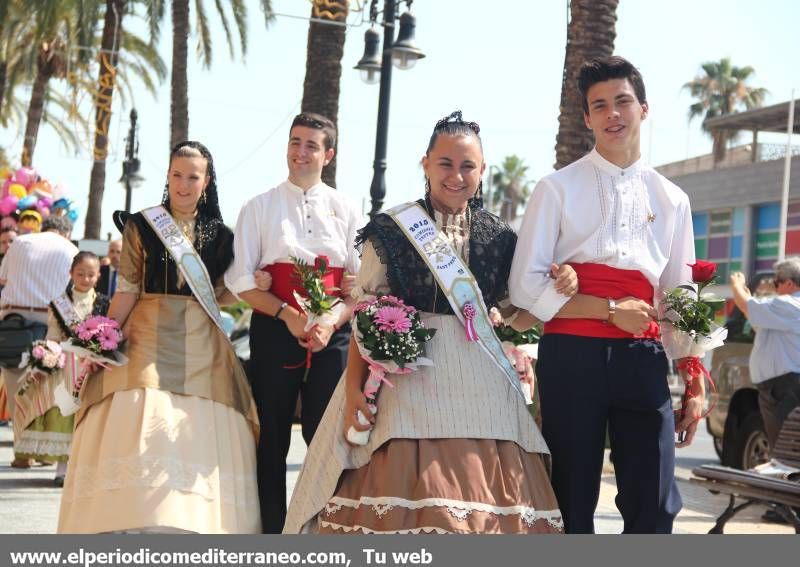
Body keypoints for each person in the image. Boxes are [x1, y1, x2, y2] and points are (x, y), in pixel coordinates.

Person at [283, 111, 577, 534]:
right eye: (446, 164)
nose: (456, 176)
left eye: (467, 166)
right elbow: (364, 312)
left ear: (483, 171)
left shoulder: (500, 238)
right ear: (425, 164)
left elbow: (517, 313)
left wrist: (559, 286)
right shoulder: (391, 230)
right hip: (407, 381)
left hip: (483, 387)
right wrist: (352, 394)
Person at [509, 56, 699, 534]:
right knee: (570, 498)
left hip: (643, 356)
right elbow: (525, 286)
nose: (613, 114)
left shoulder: (673, 199)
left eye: (622, 102)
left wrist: (694, 375)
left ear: (644, 109)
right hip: (572, 355)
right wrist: (610, 311)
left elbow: (680, 295)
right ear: (587, 117)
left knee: (655, 500)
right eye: (600, 106)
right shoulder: (555, 188)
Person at [58, 141, 260, 534]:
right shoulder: (142, 225)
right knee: (139, 401)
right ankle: (129, 514)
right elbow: (128, 290)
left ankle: (194, 518)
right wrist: (101, 339)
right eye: (177, 175)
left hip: (201, 336)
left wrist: (251, 285)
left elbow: (219, 294)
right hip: (146, 328)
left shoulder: (222, 235)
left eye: (193, 176)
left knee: (203, 414)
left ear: (207, 181)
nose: (184, 184)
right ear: (167, 177)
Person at [225, 112, 362, 533]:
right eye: (294, 142)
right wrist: (287, 315)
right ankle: (270, 531)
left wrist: (330, 322)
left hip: (332, 336)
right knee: (272, 437)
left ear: (329, 154)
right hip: (274, 328)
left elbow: (361, 287)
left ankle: (323, 526)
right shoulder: (259, 206)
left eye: (311, 145)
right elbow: (239, 281)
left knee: (327, 438)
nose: (300, 152)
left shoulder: (347, 208)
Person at [13, 252, 108, 486]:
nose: (85, 279)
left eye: (90, 274)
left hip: (93, 367)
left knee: (89, 417)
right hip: (67, 367)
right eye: (80, 274)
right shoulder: (58, 304)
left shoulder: (104, 302)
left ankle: (85, 470)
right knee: (65, 415)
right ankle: (62, 470)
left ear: (98, 276)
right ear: (71, 274)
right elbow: (53, 336)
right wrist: (47, 356)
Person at [0, 216, 77, 468]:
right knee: (50, 389)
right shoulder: (71, 249)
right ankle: (45, 451)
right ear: (67, 232)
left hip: (15, 318)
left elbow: (4, 278)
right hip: (54, 321)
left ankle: (23, 453)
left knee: (17, 388)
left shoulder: (20, 243)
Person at [730, 258, 800, 451]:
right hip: (781, 386)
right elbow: (752, 314)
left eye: (776, 282)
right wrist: (744, 295)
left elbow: (747, 307)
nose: (774, 287)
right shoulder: (786, 308)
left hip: (785, 387)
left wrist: (736, 286)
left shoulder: (788, 304)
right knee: (784, 448)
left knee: (785, 450)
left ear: (789, 283)